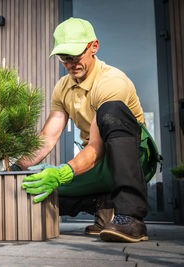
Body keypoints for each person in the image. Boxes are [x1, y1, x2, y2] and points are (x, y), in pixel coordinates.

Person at [12, 17, 160, 243]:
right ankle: (104, 204)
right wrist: (18, 167)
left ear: (94, 47)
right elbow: (48, 137)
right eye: (64, 58)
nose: (71, 63)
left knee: (112, 110)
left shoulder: (112, 81)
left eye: (76, 55)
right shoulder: (63, 87)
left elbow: (96, 148)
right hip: (97, 163)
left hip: (130, 159)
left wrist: (62, 172)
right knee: (39, 191)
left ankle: (130, 217)